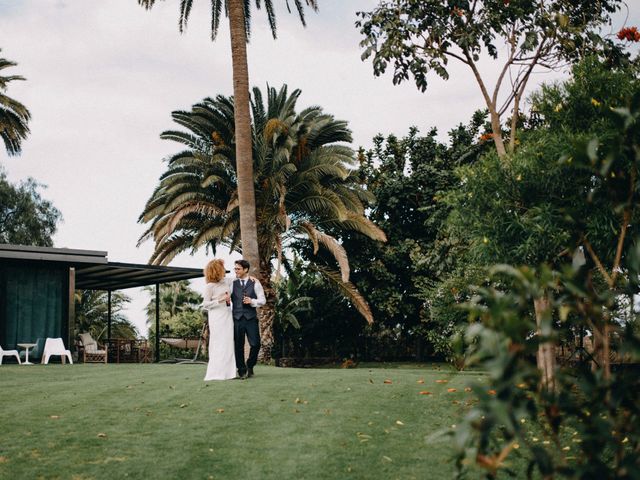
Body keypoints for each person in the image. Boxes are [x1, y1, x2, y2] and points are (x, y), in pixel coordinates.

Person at [201, 259, 236, 381]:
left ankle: (229, 373)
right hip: (216, 315)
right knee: (218, 342)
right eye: (222, 267)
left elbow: (240, 278)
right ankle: (217, 372)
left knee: (228, 342)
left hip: (227, 314)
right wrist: (219, 300)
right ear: (217, 270)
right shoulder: (210, 286)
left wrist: (252, 279)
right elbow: (205, 304)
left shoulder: (226, 281)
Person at [231, 259, 266, 379]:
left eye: (238, 269)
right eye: (235, 268)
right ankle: (241, 370)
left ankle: (250, 364)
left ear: (245, 269)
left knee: (256, 344)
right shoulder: (232, 283)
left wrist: (252, 301)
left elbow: (263, 300)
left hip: (251, 318)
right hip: (237, 318)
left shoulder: (255, 283)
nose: (236, 271)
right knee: (238, 346)